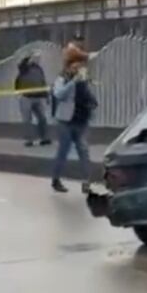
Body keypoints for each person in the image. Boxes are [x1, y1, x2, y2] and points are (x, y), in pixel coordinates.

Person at [50, 42, 97, 193]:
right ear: (70, 66)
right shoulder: (62, 78)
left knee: (83, 151)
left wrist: (92, 101)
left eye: (81, 65)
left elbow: (85, 93)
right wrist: (72, 83)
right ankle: (56, 179)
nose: (79, 68)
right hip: (65, 121)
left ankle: (86, 182)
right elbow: (58, 94)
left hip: (81, 120)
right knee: (63, 151)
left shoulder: (82, 78)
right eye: (76, 65)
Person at [15, 52, 51, 147]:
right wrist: (28, 58)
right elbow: (20, 66)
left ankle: (44, 138)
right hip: (26, 97)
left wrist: (46, 96)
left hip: (38, 97)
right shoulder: (25, 68)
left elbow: (42, 82)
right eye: (37, 58)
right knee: (27, 120)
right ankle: (29, 140)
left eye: (39, 58)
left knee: (42, 118)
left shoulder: (39, 69)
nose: (38, 60)